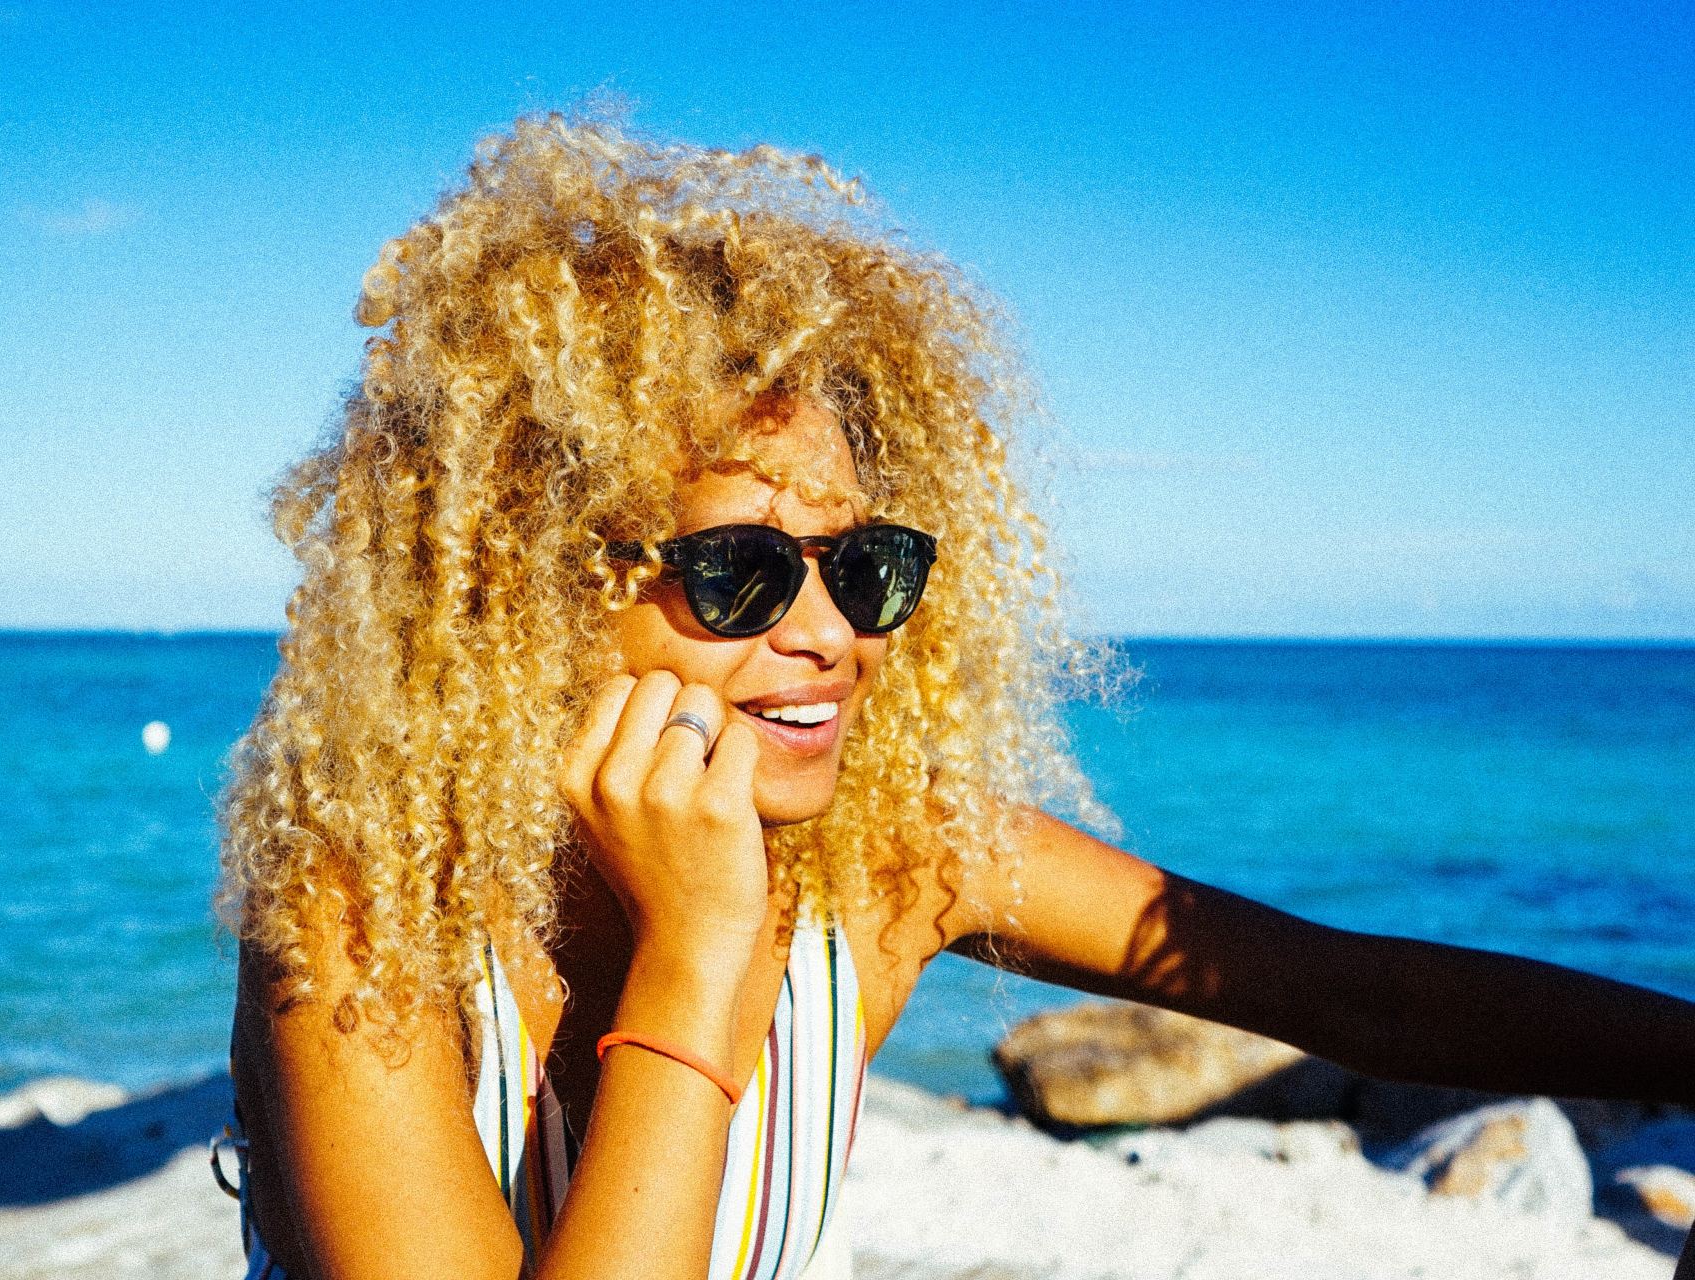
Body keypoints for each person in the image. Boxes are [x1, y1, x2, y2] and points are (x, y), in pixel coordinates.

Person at [217, 113, 1695, 1280]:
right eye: (738, 572)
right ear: (521, 584)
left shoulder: (886, 859)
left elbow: (1347, 994)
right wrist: (693, 958)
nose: (830, 635)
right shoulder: (363, 925)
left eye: (866, 567)